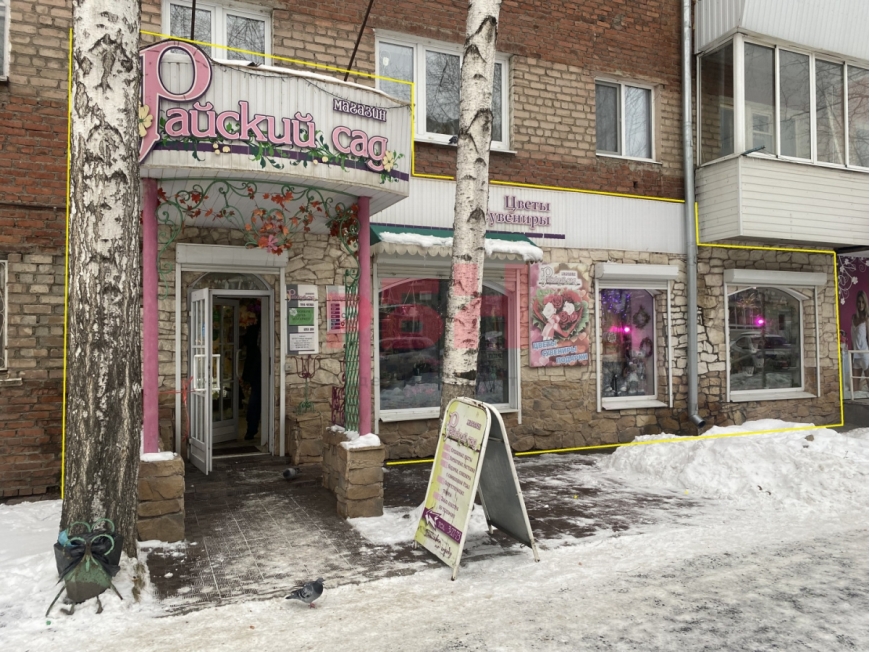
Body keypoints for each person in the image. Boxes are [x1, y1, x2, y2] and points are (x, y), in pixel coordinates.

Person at [241, 319, 262, 440]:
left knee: (254, 399)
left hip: (255, 370)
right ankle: (253, 429)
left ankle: (251, 430)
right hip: (260, 370)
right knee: (256, 399)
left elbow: (246, 349)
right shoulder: (257, 331)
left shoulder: (252, 330)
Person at [851, 290, 869, 392]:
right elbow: (852, 340)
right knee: (854, 390)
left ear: (865, 303)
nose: (861, 304)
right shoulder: (853, 318)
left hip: (865, 355)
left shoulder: (867, 319)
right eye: (859, 301)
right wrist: (851, 356)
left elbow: (869, 338)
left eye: (863, 302)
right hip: (855, 356)